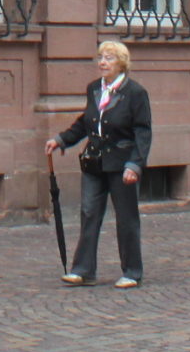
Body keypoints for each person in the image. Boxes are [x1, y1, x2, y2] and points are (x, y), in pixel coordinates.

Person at [46, 40, 152, 288]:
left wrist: (135, 165)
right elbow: (86, 121)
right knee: (89, 213)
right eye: (101, 57)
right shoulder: (94, 88)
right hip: (94, 162)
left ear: (121, 63)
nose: (103, 62)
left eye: (109, 58)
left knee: (126, 218)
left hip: (122, 164)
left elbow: (143, 132)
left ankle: (132, 272)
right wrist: (61, 140)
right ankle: (83, 270)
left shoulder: (135, 92)